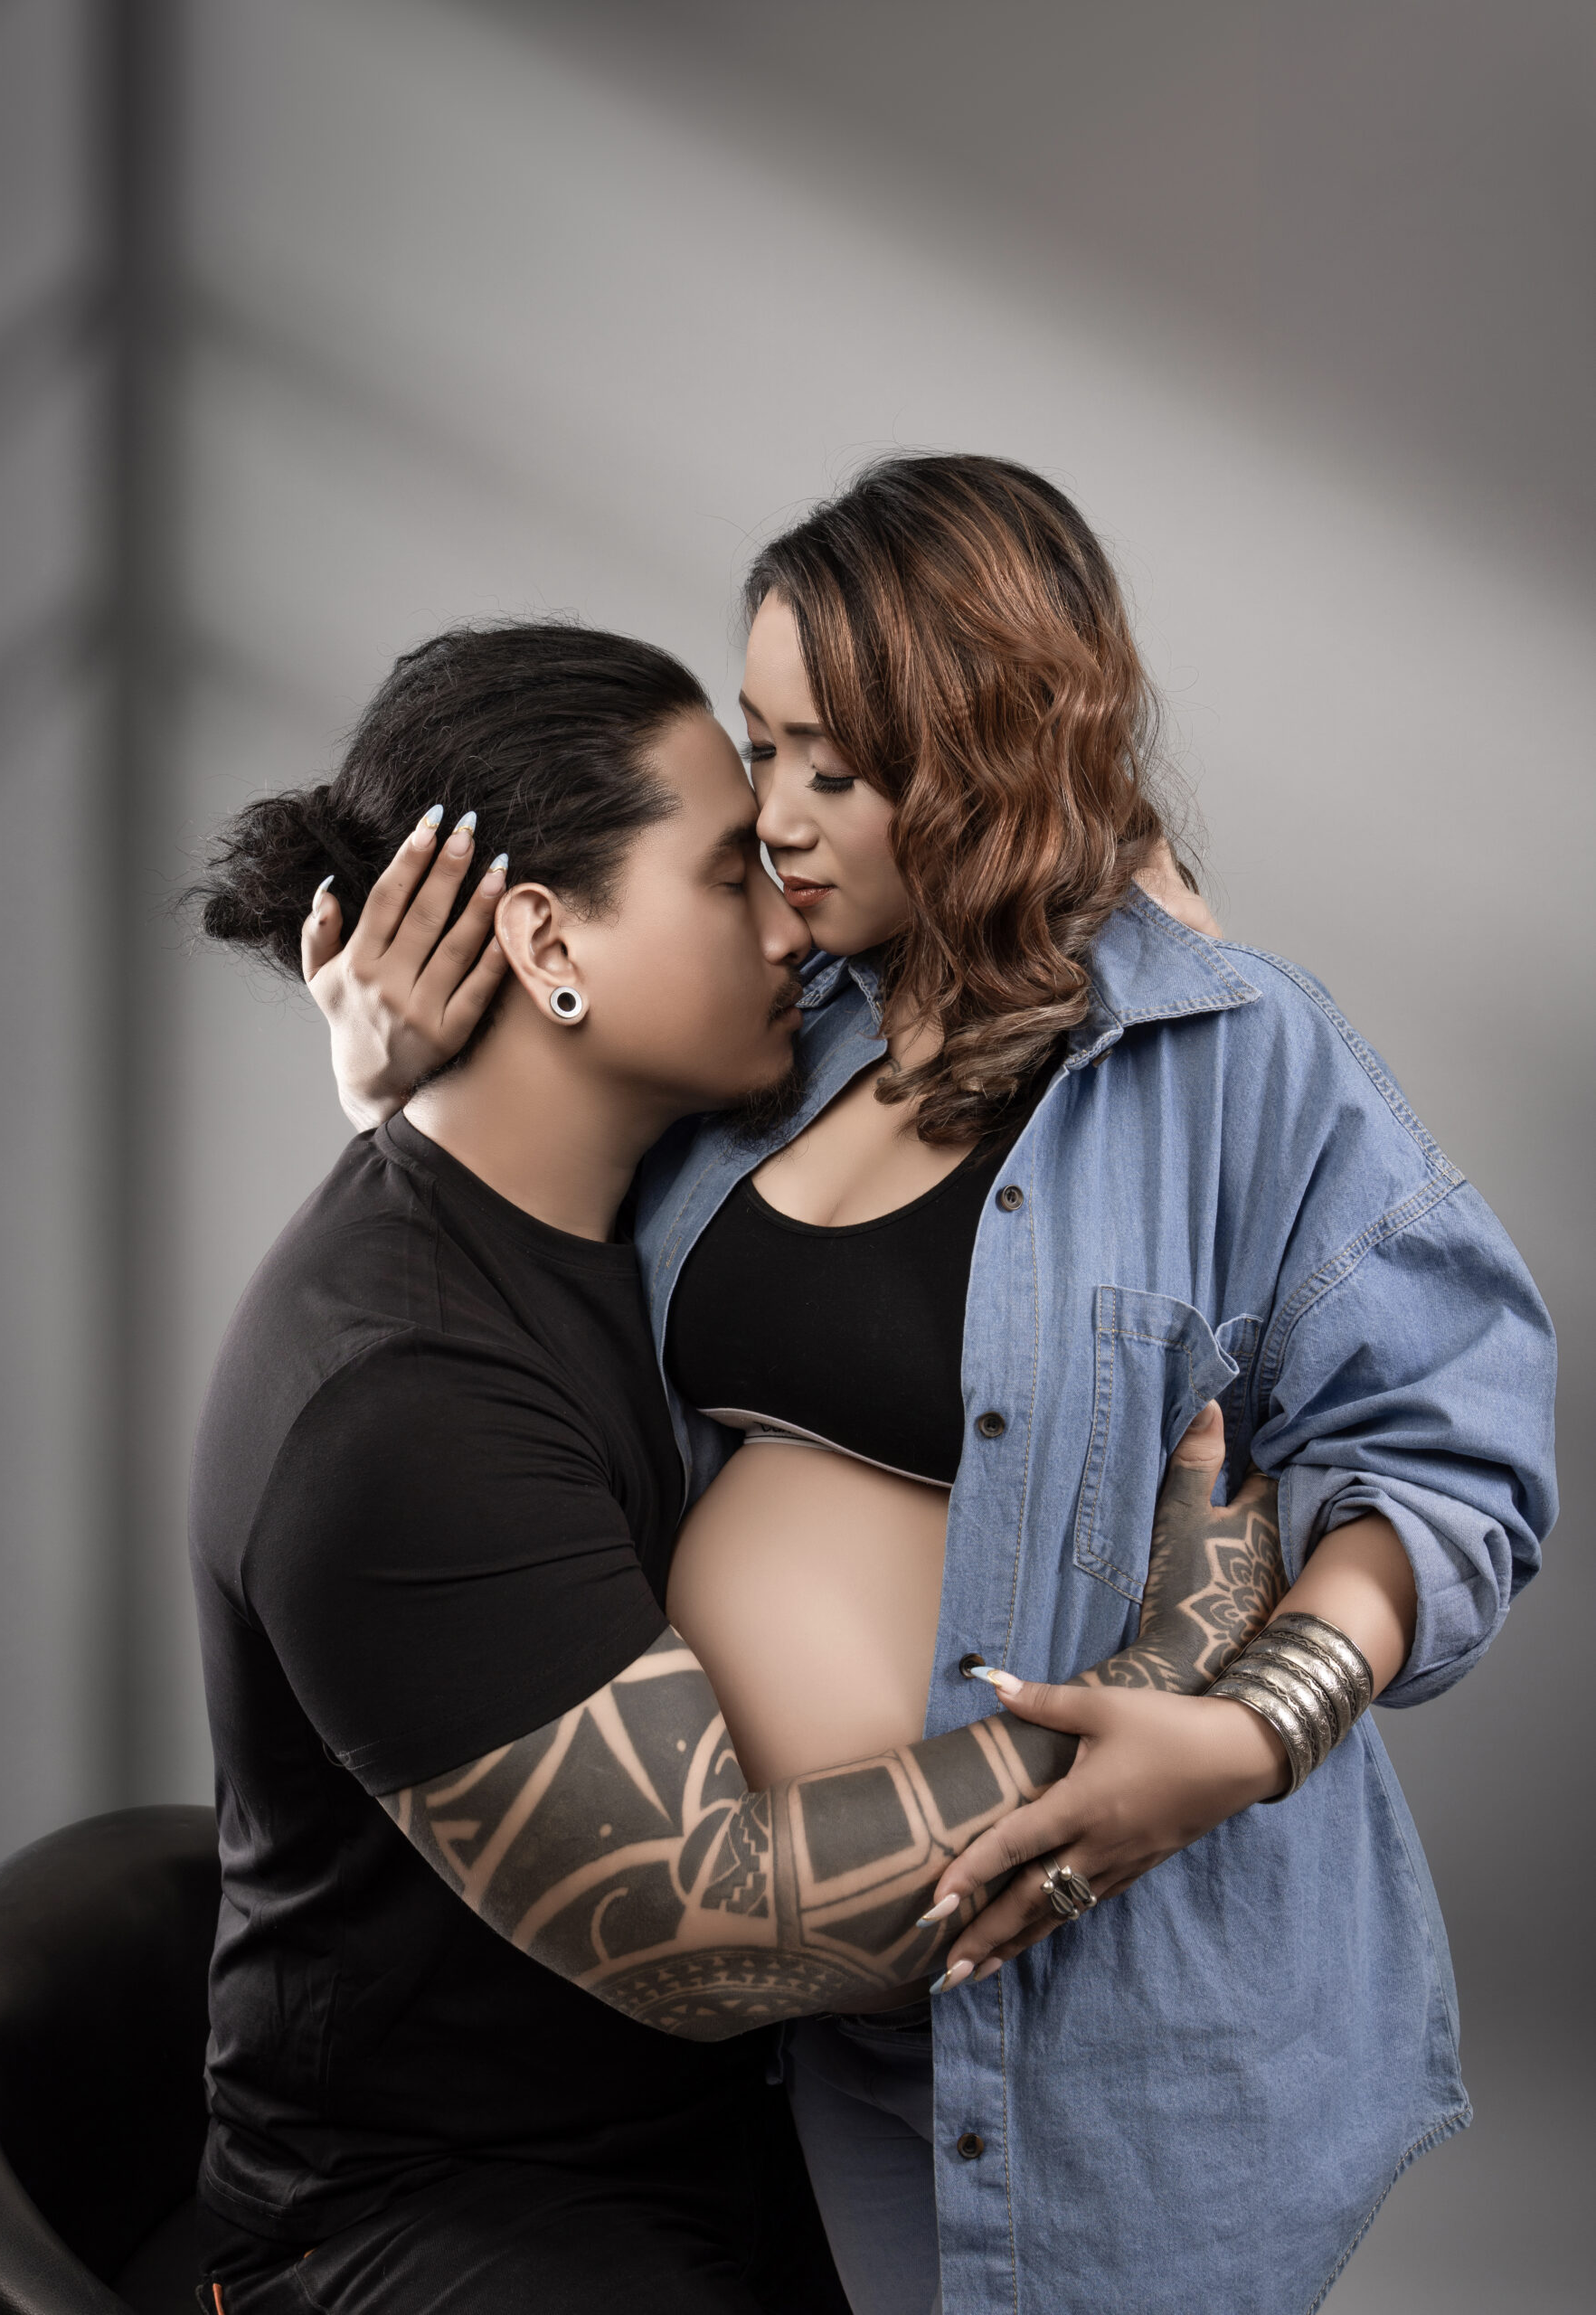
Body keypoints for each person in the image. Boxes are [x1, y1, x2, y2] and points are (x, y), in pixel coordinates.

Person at [307, 456, 1559, 2315]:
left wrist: (1243, 1737)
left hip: (1097, 2021)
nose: (778, 820)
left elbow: (1452, 1460)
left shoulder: (1234, 1059)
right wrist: (393, 1089)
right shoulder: (772, 1033)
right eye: (764, 751)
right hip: (788, 2019)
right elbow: (540, 1255)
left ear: (983, 752)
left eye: (840, 766)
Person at [188, 617, 1280, 2315]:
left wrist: (1141, 919)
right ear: (545, 936)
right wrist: (1175, 1671)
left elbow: (997, 928)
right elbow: (710, 1929)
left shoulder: (652, 1195)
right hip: (452, 2216)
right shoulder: (396, 1399)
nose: (792, 920)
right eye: (726, 878)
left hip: (751, 2120)